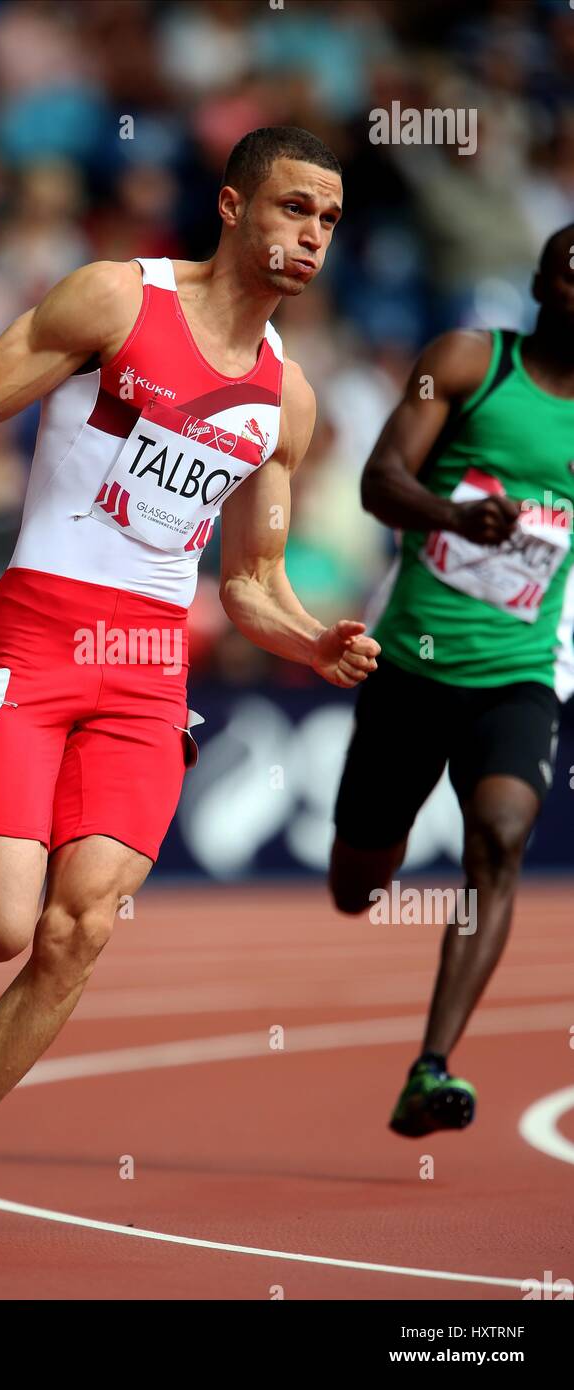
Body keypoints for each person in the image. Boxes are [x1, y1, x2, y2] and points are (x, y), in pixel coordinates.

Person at [0, 126, 379, 1235]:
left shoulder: (285, 401)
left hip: (151, 667)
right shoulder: (115, 300)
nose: (311, 236)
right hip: (38, 632)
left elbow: (249, 581)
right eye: (294, 208)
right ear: (234, 207)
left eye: (329, 221)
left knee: (80, 927)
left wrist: (309, 643)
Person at [329, 224, 574, 1139]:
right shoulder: (471, 361)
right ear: (545, 284)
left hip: (520, 668)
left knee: (502, 838)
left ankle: (430, 1068)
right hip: (414, 662)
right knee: (358, 879)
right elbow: (377, 480)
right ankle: (363, 862)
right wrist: (456, 517)